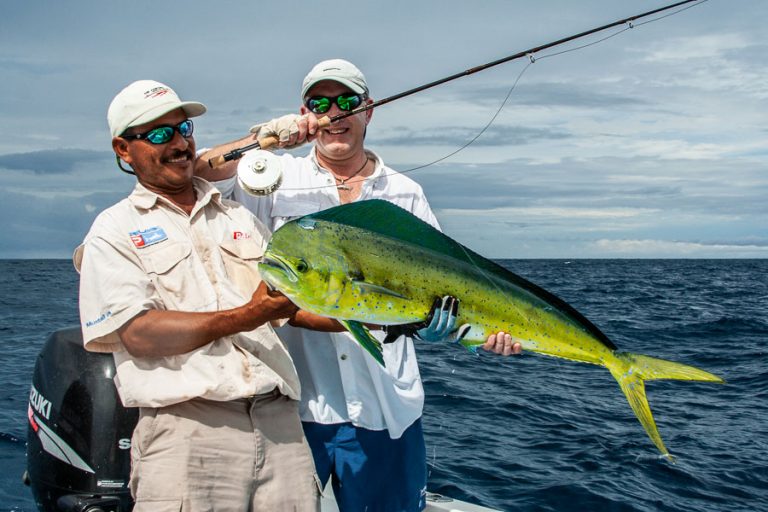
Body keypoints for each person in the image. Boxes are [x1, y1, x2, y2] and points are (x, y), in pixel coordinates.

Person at [197, 60, 521, 511]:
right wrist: (264, 139)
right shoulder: (273, 179)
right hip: (296, 407)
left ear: (369, 111)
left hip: (387, 407)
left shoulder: (406, 192)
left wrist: (462, 332)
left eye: (347, 102)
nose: (335, 113)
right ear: (304, 113)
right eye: (320, 104)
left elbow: (445, 289)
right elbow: (194, 172)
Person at [74, 79, 350, 511]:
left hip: (281, 429)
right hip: (187, 435)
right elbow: (138, 334)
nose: (179, 143)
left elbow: (291, 309)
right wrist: (246, 316)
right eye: (160, 134)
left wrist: (387, 320)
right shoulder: (113, 231)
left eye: (183, 129)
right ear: (123, 149)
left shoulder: (236, 214)